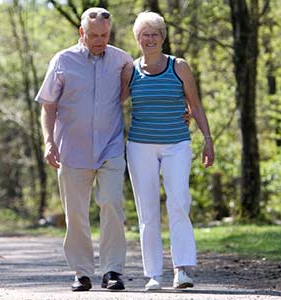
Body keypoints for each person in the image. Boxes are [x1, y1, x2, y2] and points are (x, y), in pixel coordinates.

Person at [35, 7, 133, 292]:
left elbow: (134, 89)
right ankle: (82, 272)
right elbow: (48, 106)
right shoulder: (63, 61)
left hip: (110, 148)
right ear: (82, 33)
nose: (100, 40)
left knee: (112, 204)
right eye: (94, 35)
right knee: (76, 213)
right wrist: (49, 142)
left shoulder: (121, 59)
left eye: (105, 35)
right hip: (72, 151)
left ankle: (113, 270)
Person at [121, 11, 215, 290]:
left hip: (177, 143)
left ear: (163, 38)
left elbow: (195, 106)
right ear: (137, 39)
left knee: (179, 202)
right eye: (144, 35)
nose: (149, 39)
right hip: (140, 146)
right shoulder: (130, 70)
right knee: (147, 211)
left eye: (154, 34)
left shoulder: (179, 67)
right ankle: (153, 274)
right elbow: (113, 103)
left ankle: (182, 269)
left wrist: (208, 139)